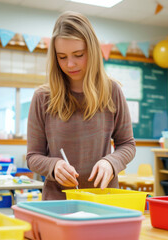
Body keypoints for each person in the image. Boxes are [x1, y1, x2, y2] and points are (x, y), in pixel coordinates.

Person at [26, 11, 136, 200]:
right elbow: (33, 156)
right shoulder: (42, 97)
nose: (70, 64)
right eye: (62, 57)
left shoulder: (112, 91)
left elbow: (127, 145)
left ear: (92, 51)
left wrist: (111, 163)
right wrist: (53, 166)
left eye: (78, 55)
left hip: (103, 199)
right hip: (58, 202)